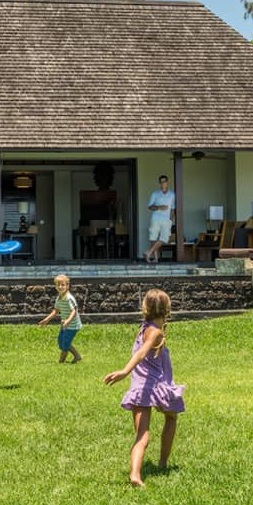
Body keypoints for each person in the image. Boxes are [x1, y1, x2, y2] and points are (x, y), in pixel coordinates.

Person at [103, 289, 185, 487]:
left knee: (142, 435)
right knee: (171, 418)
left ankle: (135, 474)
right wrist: (124, 371)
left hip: (140, 388)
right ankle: (163, 463)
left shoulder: (144, 328)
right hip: (157, 387)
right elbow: (141, 353)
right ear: (167, 309)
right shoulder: (154, 332)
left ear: (146, 308)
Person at [36, 274, 83, 364]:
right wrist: (46, 320)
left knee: (65, 344)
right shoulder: (59, 298)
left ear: (67, 286)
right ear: (55, 286)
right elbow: (56, 311)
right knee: (61, 341)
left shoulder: (69, 298)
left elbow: (74, 311)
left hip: (72, 325)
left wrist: (68, 321)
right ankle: (77, 356)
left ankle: (61, 362)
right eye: (58, 285)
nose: (60, 287)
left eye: (63, 285)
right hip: (65, 324)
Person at [142, 175, 175, 263]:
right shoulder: (155, 194)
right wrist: (159, 207)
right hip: (155, 218)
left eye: (164, 181)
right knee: (153, 238)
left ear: (167, 182)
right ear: (159, 183)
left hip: (166, 220)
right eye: (161, 181)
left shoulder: (172, 195)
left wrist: (171, 220)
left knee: (165, 238)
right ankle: (155, 259)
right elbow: (149, 207)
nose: (163, 183)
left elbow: (173, 209)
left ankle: (148, 253)